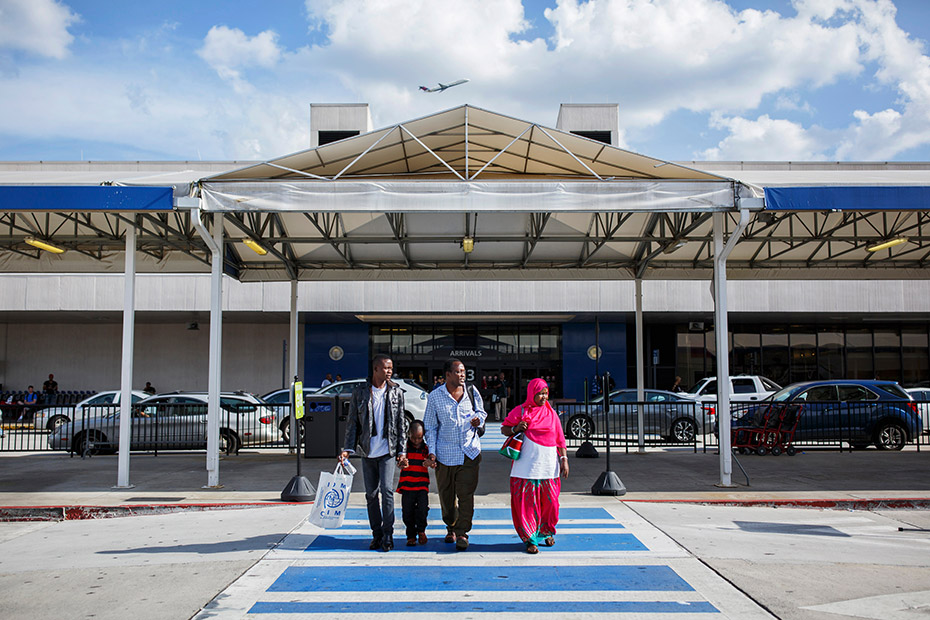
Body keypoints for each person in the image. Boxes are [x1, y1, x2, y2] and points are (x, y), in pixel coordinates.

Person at [340, 355, 407, 552]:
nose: (389, 371)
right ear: (376, 369)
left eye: (391, 368)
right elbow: (352, 422)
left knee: (387, 492)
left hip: (387, 451)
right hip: (367, 451)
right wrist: (347, 449)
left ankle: (388, 534)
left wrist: (402, 451)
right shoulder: (360, 392)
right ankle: (376, 534)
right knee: (371, 494)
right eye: (386, 368)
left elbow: (401, 422)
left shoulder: (396, 392)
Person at [424, 358, 487, 551]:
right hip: (445, 455)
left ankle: (462, 532)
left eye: (463, 371)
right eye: (458, 372)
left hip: (470, 452)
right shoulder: (435, 397)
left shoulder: (471, 392)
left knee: (466, 495)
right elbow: (430, 427)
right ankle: (451, 525)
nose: (462, 375)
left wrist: (479, 421)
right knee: (446, 496)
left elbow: (482, 413)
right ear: (447, 375)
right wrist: (432, 453)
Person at [501, 377, 568, 554]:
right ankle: (530, 539)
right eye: (540, 393)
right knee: (527, 505)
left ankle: (546, 531)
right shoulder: (521, 410)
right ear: (532, 393)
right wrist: (516, 428)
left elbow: (560, 440)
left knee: (550, 504)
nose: (544, 397)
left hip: (549, 467)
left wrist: (564, 460)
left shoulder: (552, 414)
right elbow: (505, 429)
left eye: (546, 393)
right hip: (526, 468)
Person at [396, 420, 432, 546]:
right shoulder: (404, 449)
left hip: (422, 485)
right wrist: (401, 463)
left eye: (419, 438)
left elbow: (433, 463)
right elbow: (398, 462)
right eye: (413, 438)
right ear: (408, 435)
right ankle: (411, 535)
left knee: (422, 509)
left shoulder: (426, 449)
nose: (416, 441)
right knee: (407, 512)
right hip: (407, 486)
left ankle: (421, 530)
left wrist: (431, 462)